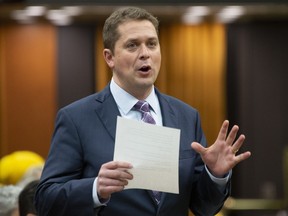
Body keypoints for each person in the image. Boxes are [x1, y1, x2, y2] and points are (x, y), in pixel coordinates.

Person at [35, 6, 251, 216]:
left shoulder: (186, 116)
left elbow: (203, 207)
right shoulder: (76, 118)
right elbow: (45, 200)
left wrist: (214, 175)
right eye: (132, 45)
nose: (145, 54)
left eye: (152, 44)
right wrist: (95, 189)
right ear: (109, 57)